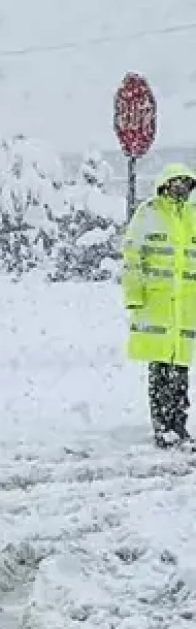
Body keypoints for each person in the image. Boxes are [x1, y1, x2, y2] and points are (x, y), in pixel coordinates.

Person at [122, 163, 196, 448]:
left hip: (185, 309)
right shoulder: (149, 214)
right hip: (156, 305)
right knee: (160, 369)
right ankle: (162, 426)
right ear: (165, 185)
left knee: (180, 370)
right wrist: (134, 295)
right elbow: (132, 257)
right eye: (176, 183)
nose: (181, 188)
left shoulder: (192, 216)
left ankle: (179, 425)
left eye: (186, 184)